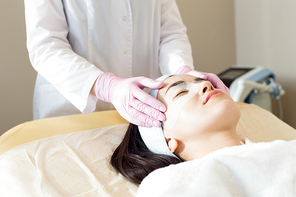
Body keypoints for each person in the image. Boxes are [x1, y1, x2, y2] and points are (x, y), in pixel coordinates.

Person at [24, 0, 229, 127]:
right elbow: (46, 45)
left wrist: (183, 74)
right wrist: (108, 87)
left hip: (142, 110)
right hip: (71, 110)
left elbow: (170, 32)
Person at [111, 74, 243, 184]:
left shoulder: (262, 151)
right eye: (181, 92)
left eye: (203, 81)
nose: (206, 85)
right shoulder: (178, 188)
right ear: (168, 141)